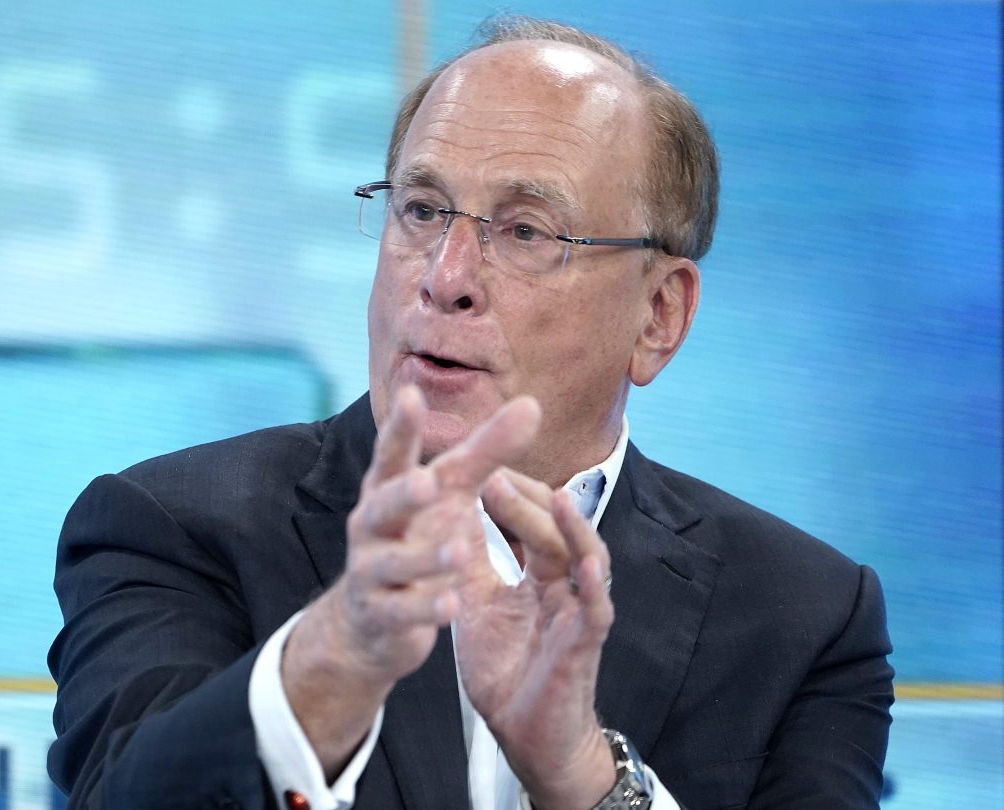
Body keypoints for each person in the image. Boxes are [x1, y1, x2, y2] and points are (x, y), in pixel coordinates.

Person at [47, 16, 893, 810]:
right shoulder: (173, 527)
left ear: (658, 316)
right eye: (421, 210)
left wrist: (583, 777)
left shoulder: (805, 615)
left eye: (526, 231)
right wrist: (332, 664)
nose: (444, 276)